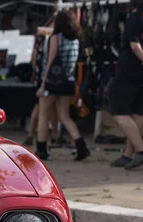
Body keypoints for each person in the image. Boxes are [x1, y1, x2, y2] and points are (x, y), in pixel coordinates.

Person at [36, 10, 90, 161]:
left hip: (52, 83)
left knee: (44, 114)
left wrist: (43, 83)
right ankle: (81, 146)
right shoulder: (75, 40)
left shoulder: (56, 38)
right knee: (64, 116)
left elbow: (51, 60)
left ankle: (41, 149)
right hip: (68, 82)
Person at [108, 0, 143, 169]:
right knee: (136, 113)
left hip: (129, 71)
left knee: (119, 110)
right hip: (139, 75)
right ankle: (128, 155)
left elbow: (135, 46)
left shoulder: (135, 18)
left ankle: (140, 150)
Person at [25, 33, 59, 146]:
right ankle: (33, 134)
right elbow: (35, 58)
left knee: (47, 107)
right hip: (44, 79)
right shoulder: (49, 39)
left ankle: (53, 134)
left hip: (41, 77)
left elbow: (34, 58)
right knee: (41, 107)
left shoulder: (43, 40)